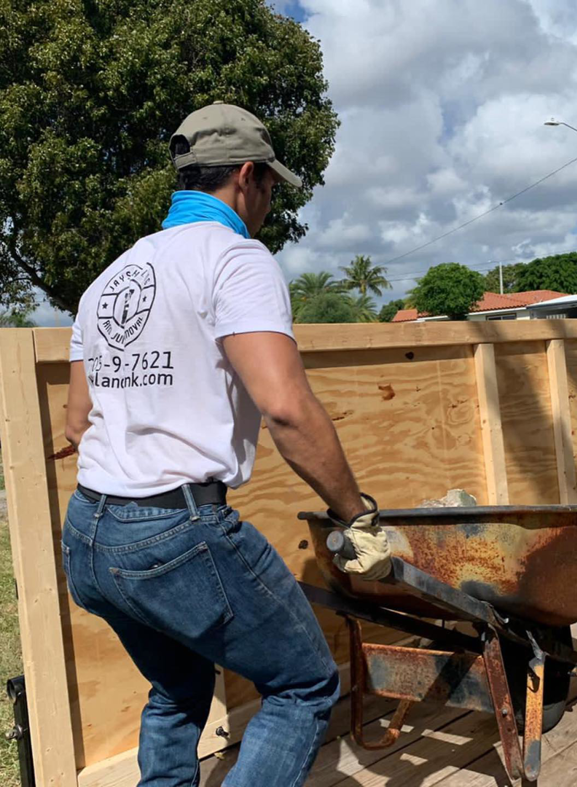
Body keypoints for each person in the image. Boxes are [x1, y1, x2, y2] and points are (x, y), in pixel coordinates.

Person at [63, 102, 391, 786]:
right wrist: (353, 512)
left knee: (178, 688)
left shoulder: (109, 280)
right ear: (248, 176)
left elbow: (76, 421)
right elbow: (286, 408)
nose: (269, 201)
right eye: (271, 186)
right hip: (174, 531)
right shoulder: (236, 260)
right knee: (302, 684)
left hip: (89, 533)